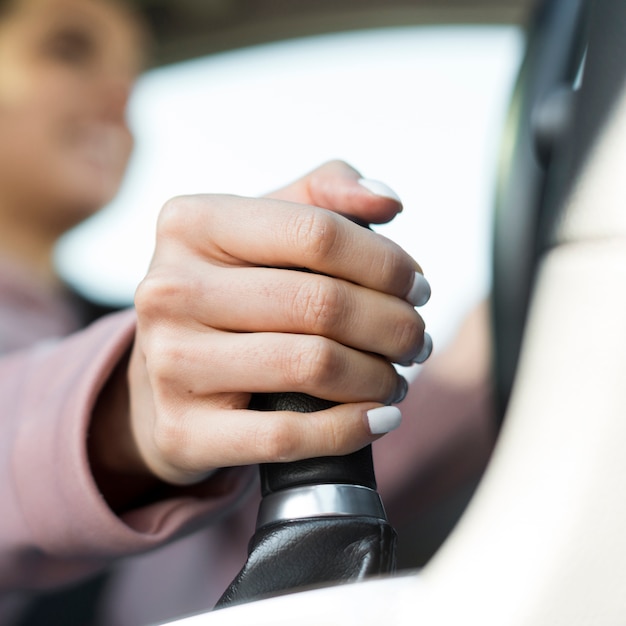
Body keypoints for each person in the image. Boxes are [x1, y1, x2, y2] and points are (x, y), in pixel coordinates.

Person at [0, 0, 495, 623]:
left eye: (135, 69)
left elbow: (268, 533)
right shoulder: (136, 344)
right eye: (67, 49)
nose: (118, 93)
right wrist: (128, 405)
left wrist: (497, 344)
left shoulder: (102, 319)